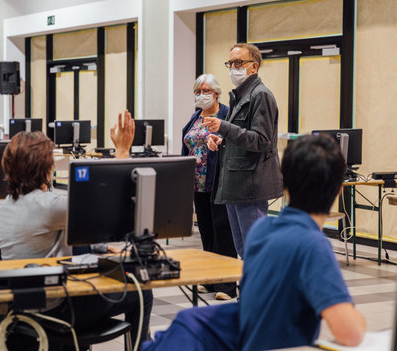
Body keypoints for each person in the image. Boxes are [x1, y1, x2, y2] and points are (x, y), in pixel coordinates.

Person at [140, 134, 366, 351]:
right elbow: (350, 333)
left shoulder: (261, 231)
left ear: (283, 183)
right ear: (338, 191)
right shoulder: (313, 245)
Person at [0, 110, 153, 347]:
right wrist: (122, 151)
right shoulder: (48, 206)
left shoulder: (10, 203)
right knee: (141, 293)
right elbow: (108, 202)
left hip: (23, 305)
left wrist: (103, 247)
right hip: (56, 312)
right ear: (46, 168)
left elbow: (73, 231)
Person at [203, 43, 283, 259]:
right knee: (243, 250)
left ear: (253, 67)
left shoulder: (261, 95)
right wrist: (220, 139)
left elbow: (261, 140)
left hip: (251, 186)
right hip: (235, 185)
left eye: (239, 63)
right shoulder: (239, 97)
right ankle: (247, 294)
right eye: (230, 63)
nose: (233, 68)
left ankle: (260, 293)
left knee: (255, 252)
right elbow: (240, 134)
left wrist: (223, 127)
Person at [182, 74, 237, 300]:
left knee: (222, 231)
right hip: (198, 184)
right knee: (206, 231)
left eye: (206, 90)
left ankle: (227, 285)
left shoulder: (225, 114)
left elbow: (233, 141)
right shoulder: (195, 117)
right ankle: (212, 279)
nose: (202, 95)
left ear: (216, 93)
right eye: (198, 91)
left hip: (219, 181)